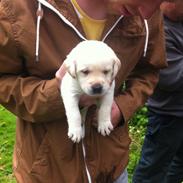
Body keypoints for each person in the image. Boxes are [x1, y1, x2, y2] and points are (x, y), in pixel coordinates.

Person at [0, 0, 166, 182]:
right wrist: (58, 94)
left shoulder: (145, 11)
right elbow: (4, 80)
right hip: (48, 169)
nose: (148, 14)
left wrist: (122, 106)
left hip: (112, 166)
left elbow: (149, 70)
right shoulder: (18, 6)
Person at [132, 0, 183, 183]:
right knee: (152, 169)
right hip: (168, 115)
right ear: (167, 3)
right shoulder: (160, 29)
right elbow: (170, 78)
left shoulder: (179, 21)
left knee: (178, 164)